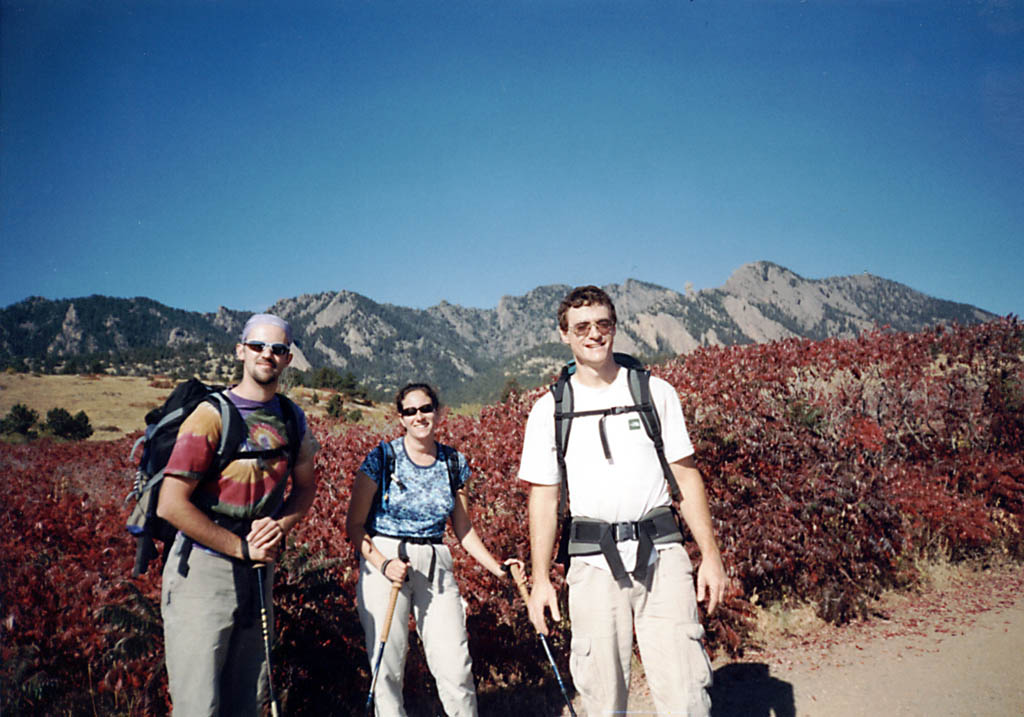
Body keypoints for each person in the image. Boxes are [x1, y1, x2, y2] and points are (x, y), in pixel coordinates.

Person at [519, 285, 728, 716]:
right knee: (601, 697)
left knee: (686, 693)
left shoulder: (656, 393)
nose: (593, 334)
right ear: (564, 334)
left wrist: (710, 555)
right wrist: (541, 579)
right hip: (592, 565)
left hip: (663, 558)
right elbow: (543, 497)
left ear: (615, 327)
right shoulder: (549, 410)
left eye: (603, 324)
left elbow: (686, 476)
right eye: (582, 327)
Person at [156, 313, 319, 716]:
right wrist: (240, 547)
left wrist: (279, 526)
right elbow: (171, 503)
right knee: (199, 703)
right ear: (240, 351)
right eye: (259, 346)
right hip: (202, 569)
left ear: (289, 359)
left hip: (258, 571)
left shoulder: (292, 419)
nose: (268, 355)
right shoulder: (211, 415)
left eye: (279, 349)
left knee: (247, 698)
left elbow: (306, 487)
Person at [346, 382, 517, 717]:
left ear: (437, 412)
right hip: (386, 560)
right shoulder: (381, 458)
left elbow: (464, 529)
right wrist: (382, 564)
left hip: (436, 562)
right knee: (387, 669)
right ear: (401, 417)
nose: (419, 416)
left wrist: (498, 569)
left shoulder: (453, 463)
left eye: (425, 409)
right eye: (410, 411)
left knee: (456, 665)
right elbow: (355, 525)